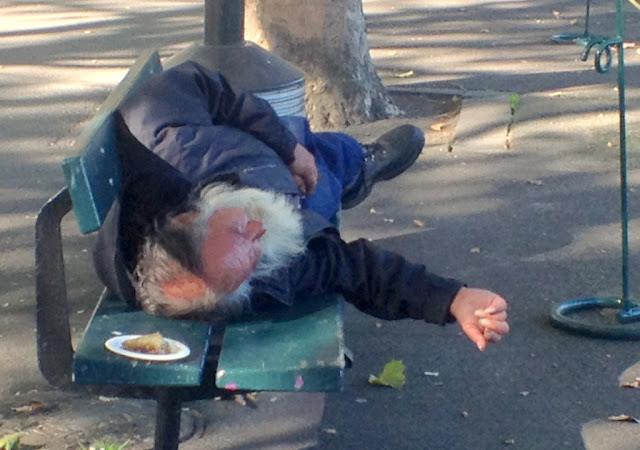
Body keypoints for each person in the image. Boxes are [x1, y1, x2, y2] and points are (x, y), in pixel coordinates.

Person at [93, 61, 509, 352]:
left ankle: (354, 163)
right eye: (252, 256)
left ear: (188, 214)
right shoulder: (270, 273)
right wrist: (453, 299)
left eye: (239, 229)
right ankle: (357, 172)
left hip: (273, 153)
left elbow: (205, 86)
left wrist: (286, 147)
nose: (259, 232)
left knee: (316, 149)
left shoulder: (163, 140)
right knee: (328, 179)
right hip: (301, 205)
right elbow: (354, 268)